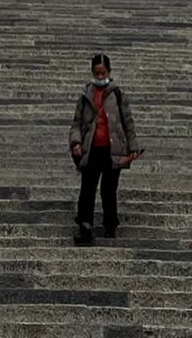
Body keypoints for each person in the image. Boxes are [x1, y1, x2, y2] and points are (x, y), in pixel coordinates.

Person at [69, 52, 140, 242]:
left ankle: (110, 224)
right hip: (91, 149)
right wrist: (76, 143)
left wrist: (133, 147)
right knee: (88, 187)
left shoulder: (117, 94)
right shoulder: (86, 95)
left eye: (103, 73)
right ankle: (85, 223)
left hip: (113, 150)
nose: (100, 77)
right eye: (97, 73)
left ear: (109, 71)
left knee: (109, 189)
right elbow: (77, 123)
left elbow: (128, 122)